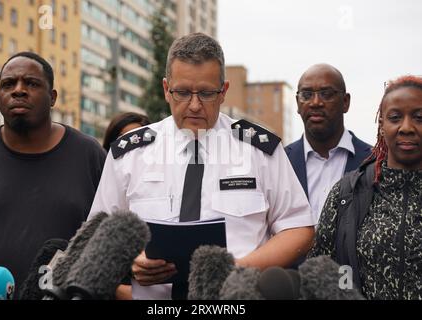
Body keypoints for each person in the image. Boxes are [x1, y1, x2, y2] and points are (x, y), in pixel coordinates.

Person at [88, 33, 315, 300]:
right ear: (166, 89)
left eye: (206, 93)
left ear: (224, 91)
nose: (194, 105)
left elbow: (298, 228)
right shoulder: (130, 153)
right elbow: (97, 232)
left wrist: (237, 270)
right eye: (183, 92)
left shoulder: (259, 150)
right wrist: (131, 260)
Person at [0, 52, 106, 298]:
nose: (18, 90)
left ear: (53, 97)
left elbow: (107, 240)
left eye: (32, 83)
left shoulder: (89, 155)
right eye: (8, 84)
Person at [309, 75, 422, 300]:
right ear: (382, 125)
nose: (406, 127)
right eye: (395, 117)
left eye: (419, 117)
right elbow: (319, 276)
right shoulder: (346, 194)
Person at [285, 64, 371, 223]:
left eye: (326, 94)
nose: (316, 102)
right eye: (307, 94)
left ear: (345, 102)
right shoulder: (280, 162)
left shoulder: (374, 161)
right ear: (297, 103)